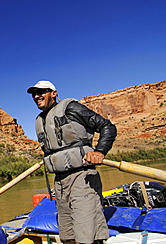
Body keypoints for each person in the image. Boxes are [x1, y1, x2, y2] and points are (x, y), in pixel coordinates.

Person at [27, 80, 117, 244]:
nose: (36, 96)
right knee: (67, 236)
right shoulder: (40, 120)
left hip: (82, 178)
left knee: (86, 235)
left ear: (53, 93)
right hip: (60, 183)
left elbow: (107, 127)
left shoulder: (71, 107)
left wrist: (99, 151)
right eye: (34, 93)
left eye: (41, 92)